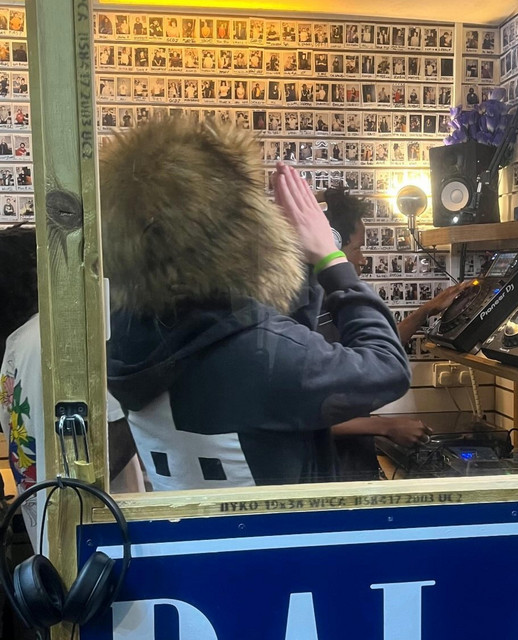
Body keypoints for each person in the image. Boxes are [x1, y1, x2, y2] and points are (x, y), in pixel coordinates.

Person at [100, 117, 410, 490]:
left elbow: (281, 345)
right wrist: (331, 260)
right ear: (235, 231)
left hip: (191, 525)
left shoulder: (125, 338)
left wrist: (302, 267)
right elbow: (387, 367)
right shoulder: (260, 354)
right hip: (282, 528)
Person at [0, 226, 144, 554]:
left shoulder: (27, 340)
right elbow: (123, 423)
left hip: (68, 539)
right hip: (88, 539)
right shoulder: (52, 337)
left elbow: (120, 424)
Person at [319, 188, 468, 480]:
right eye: (358, 249)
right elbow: (305, 416)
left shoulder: (334, 302)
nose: (363, 260)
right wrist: (385, 427)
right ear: (332, 246)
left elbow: (376, 353)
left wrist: (426, 311)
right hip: (331, 478)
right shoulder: (310, 315)